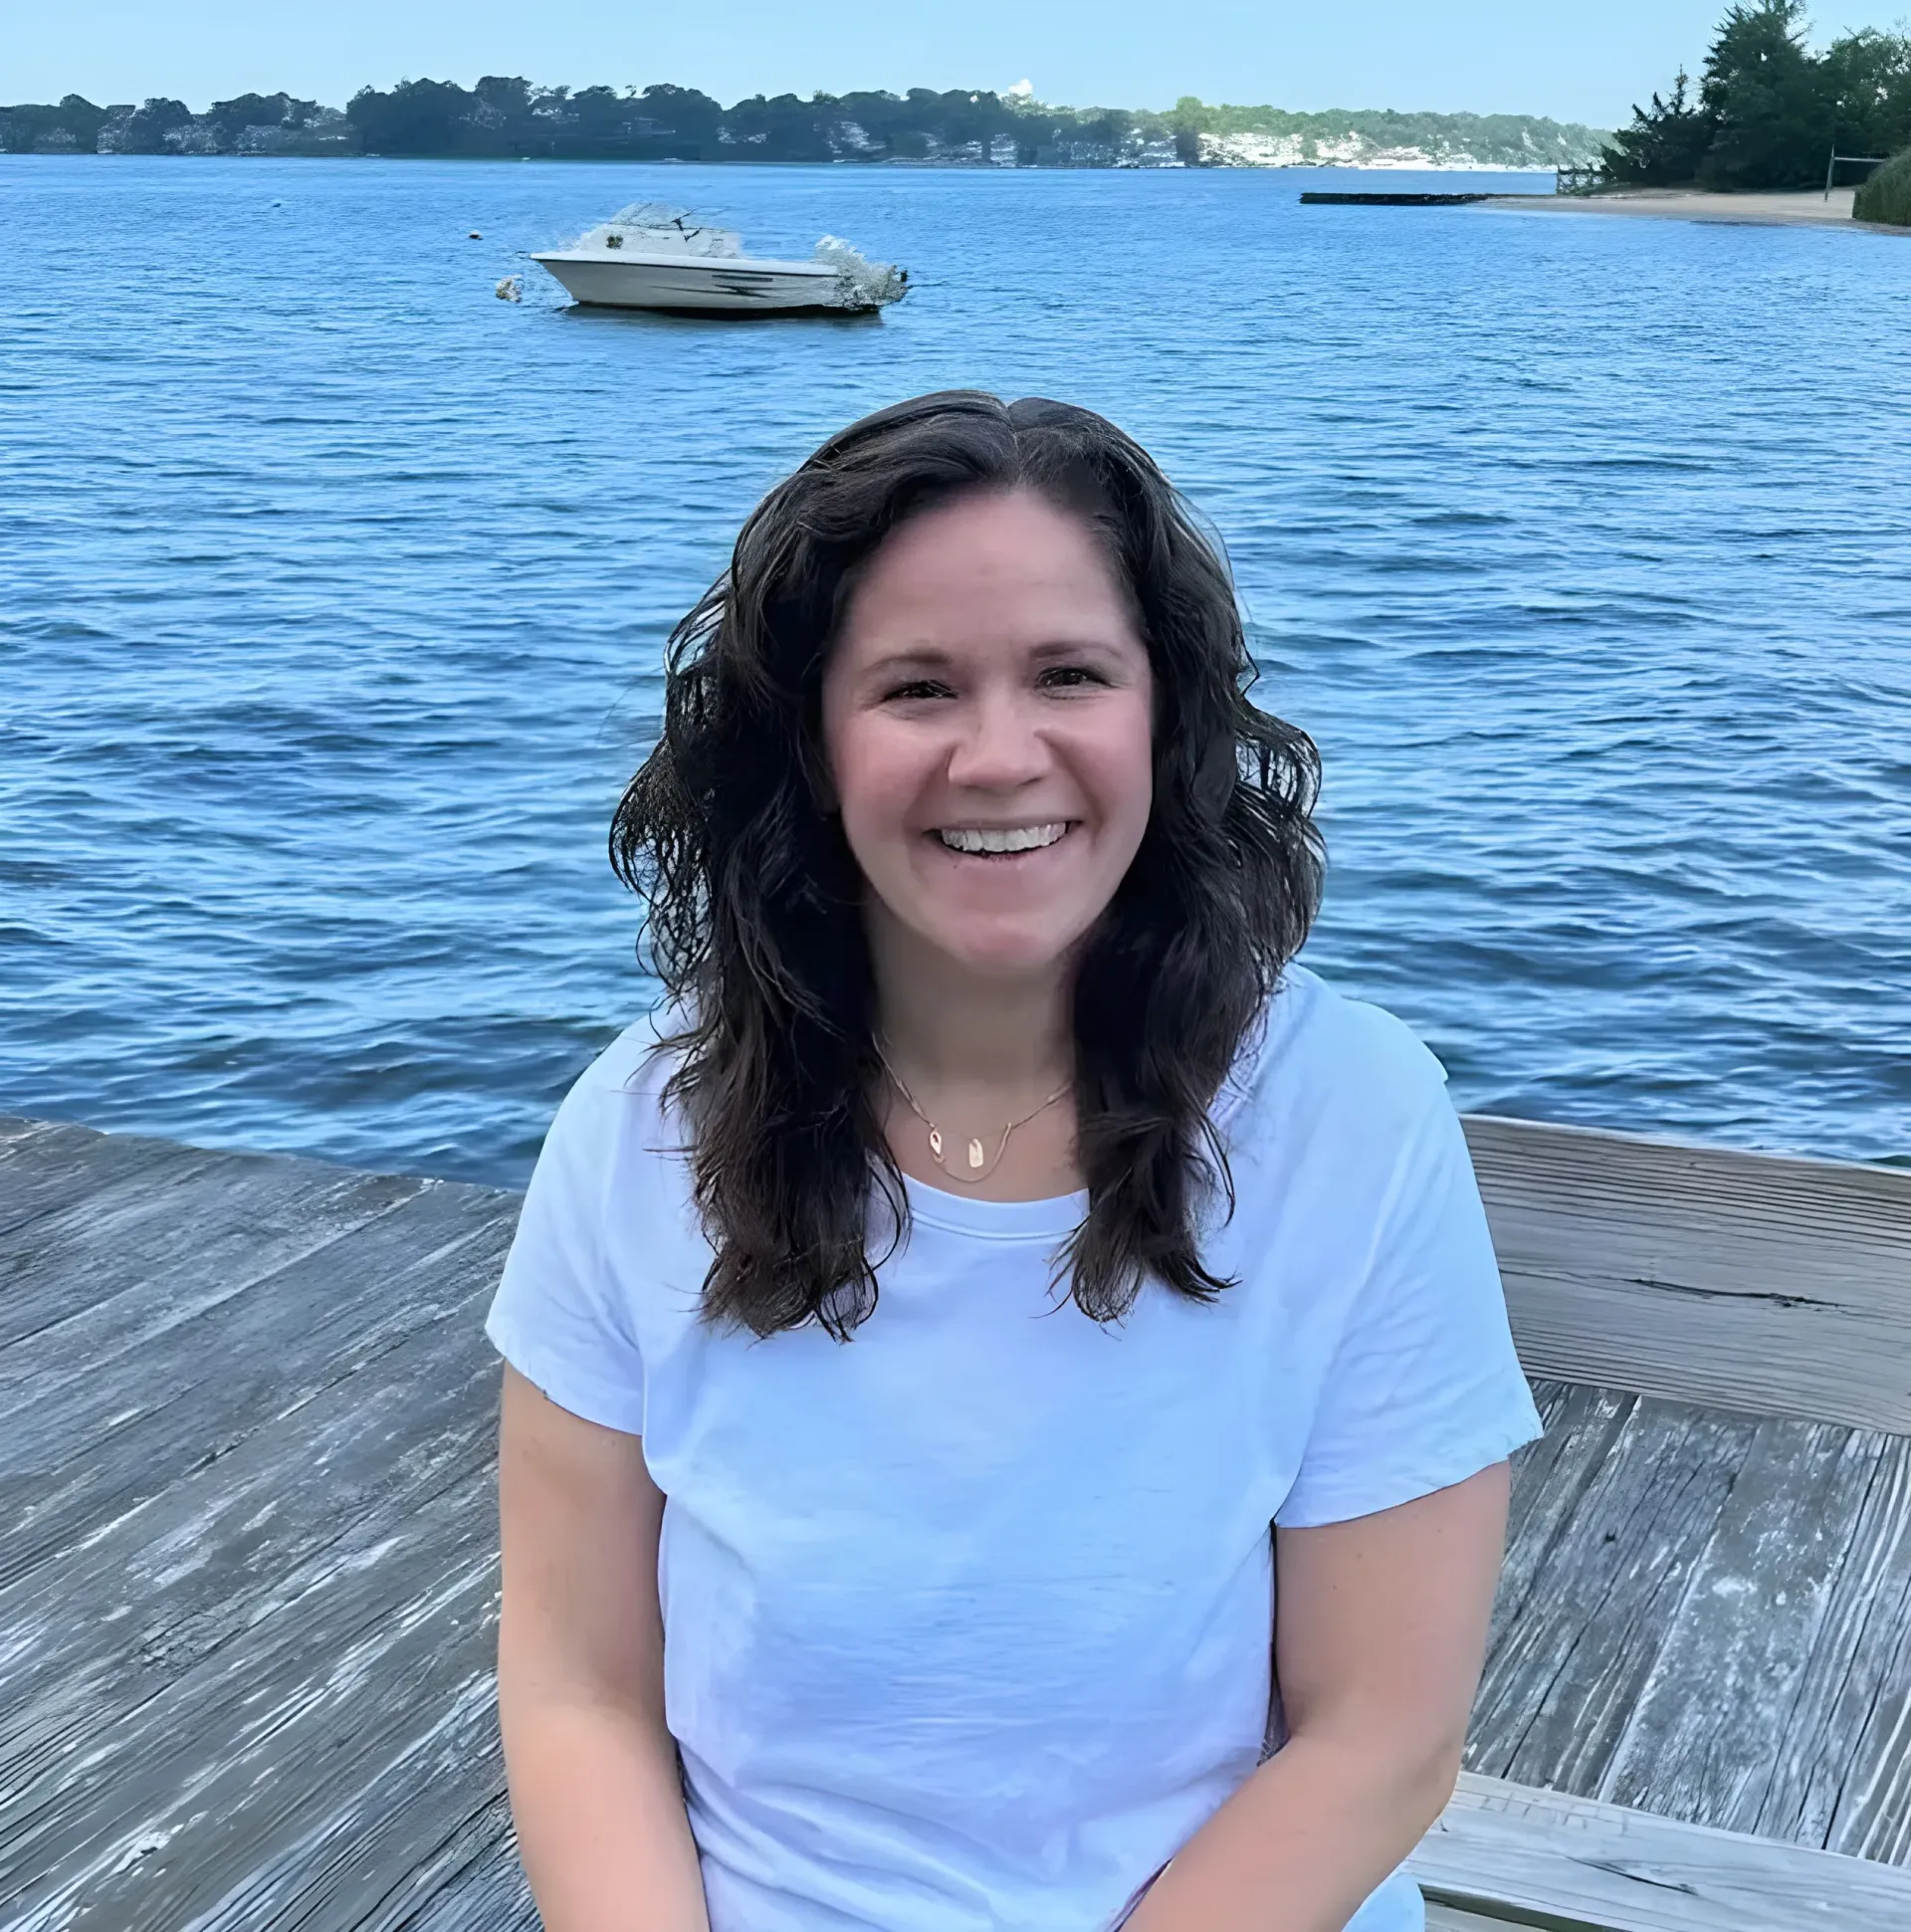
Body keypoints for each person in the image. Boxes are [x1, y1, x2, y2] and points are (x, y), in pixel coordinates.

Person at [487, 390, 1542, 1932]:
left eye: (1068, 674)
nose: (1000, 755)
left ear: (1165, 714)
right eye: (917, 687)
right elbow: (580, 1688)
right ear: (810, 746)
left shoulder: (1352, 1114)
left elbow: (1381, 1737)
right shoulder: (639, 1126)